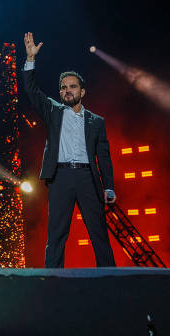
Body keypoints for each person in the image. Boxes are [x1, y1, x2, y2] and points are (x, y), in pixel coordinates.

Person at [21, 33, 117, 268]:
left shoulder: (96, 121)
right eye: (64, 87)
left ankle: (112, 279)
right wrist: (30, 60)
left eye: (73, 87)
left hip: (87, 177)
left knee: (99, 233)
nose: (67, 91)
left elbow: (103, 156)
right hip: (60, 177)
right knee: (56, 235)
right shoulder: (53, 110)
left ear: (82, 92)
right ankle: (52, 281)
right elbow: (31, 90)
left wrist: (109, 186)